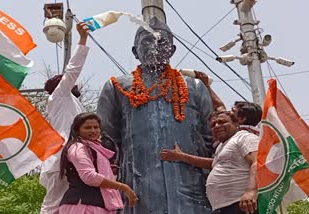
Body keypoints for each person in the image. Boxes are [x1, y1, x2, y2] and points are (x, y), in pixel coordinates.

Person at [96, 17, 213, 214]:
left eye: (162, 42)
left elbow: (210, 137)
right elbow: (106, 140)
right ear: (135, 51)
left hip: (190, 187)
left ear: (173, 50)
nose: (154, 47)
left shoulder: (194, 87)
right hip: (137, 184)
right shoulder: (116, 87)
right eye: (146, 41)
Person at [160, 111, 259, 214]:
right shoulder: (222, 146)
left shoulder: (244, 137)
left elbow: (257, 162)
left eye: (222, 122)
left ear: (236, 124)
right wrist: (181, 156)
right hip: (225, 207)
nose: (217, 126)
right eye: (213, 125)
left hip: (243, 204)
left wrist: (251, 191)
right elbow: (212, 164)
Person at [40, 22, 90, 214]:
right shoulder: (60, 96)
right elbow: (73, 70)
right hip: (61, 157)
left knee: (70, 206)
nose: (72, 83)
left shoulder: (71, 104)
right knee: (53, 205)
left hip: (74, 157)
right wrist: (83, 40)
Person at [59, 112, 138, 214]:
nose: (93, 130)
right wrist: (123, 187)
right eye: (87, 128)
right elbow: (89, 177)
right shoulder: (78, 148)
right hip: (82, 206)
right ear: (77, 130)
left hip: (97, 205)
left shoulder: (97, 149)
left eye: (96, 127)